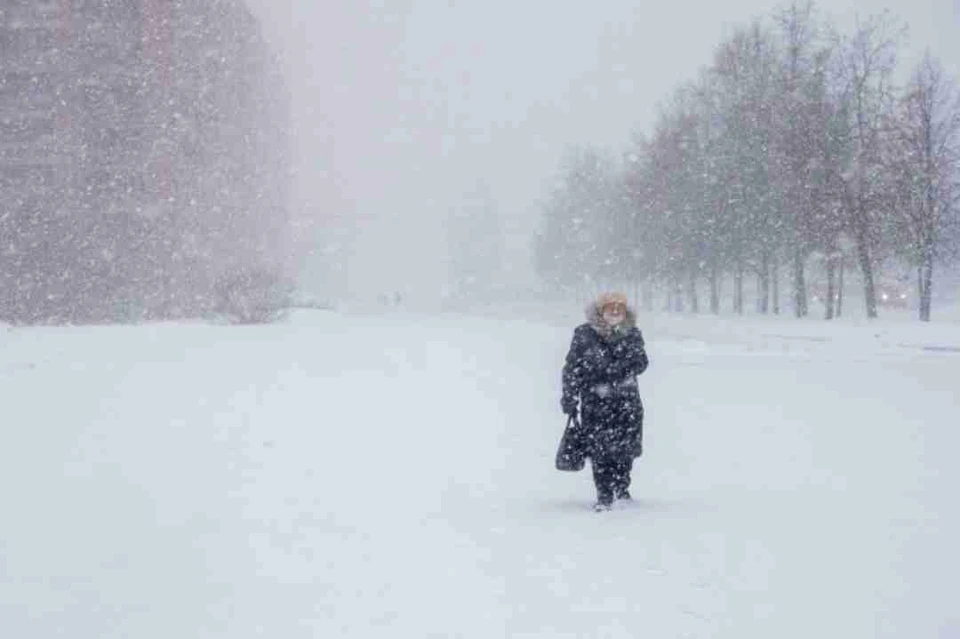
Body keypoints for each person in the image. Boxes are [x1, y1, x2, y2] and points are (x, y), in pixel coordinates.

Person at [561, 292, 649, 511]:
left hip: (627, 403)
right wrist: (569, 397)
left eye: (620, 306)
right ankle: (604, 494)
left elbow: (641, 363)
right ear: (600, 310)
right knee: (599, 450)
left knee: (625, 450)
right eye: (610, 306)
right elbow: (572, 368)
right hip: (596, 404)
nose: (616, 310)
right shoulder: (584, 334)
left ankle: (622, 489)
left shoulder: (632, 333)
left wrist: (618, 366)